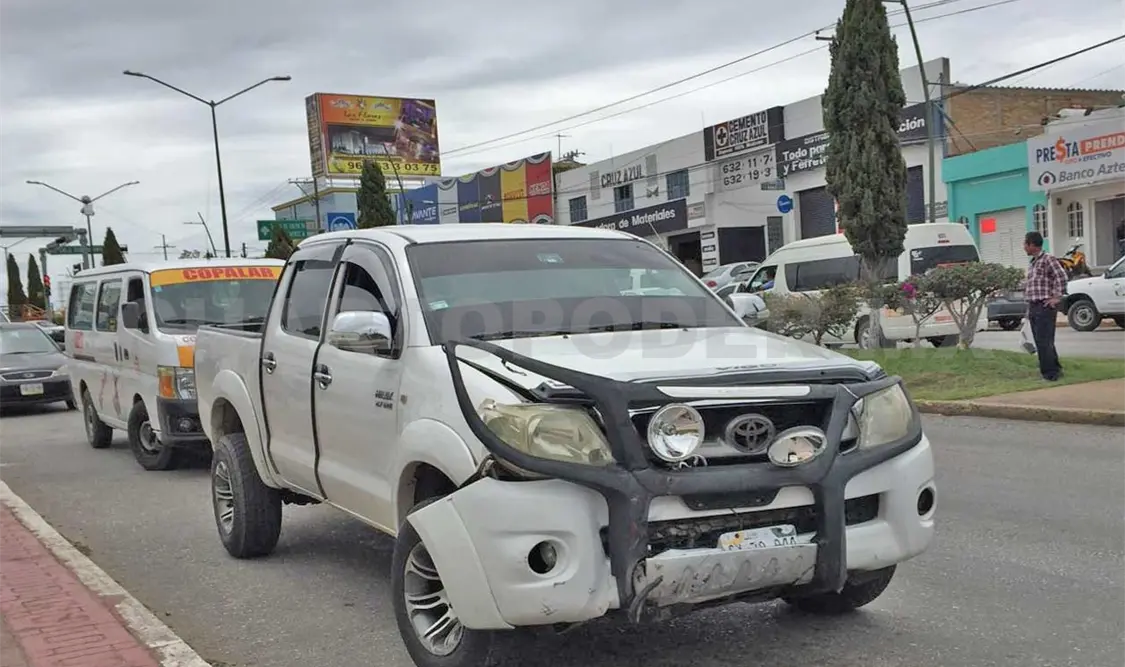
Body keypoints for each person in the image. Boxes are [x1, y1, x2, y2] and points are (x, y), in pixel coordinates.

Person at [1023, 231, 1067, 382]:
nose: (1024, 247)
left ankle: (1049, 374)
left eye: (1025, 244)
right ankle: (1055, 368)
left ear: (1032, 245)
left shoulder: (1048, 259)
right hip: (1034, 306)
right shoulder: (1033, 263)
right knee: (1042, 340)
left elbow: (1061, 276)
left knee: (1044, 341)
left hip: (1044, 306)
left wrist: (1056, 297)